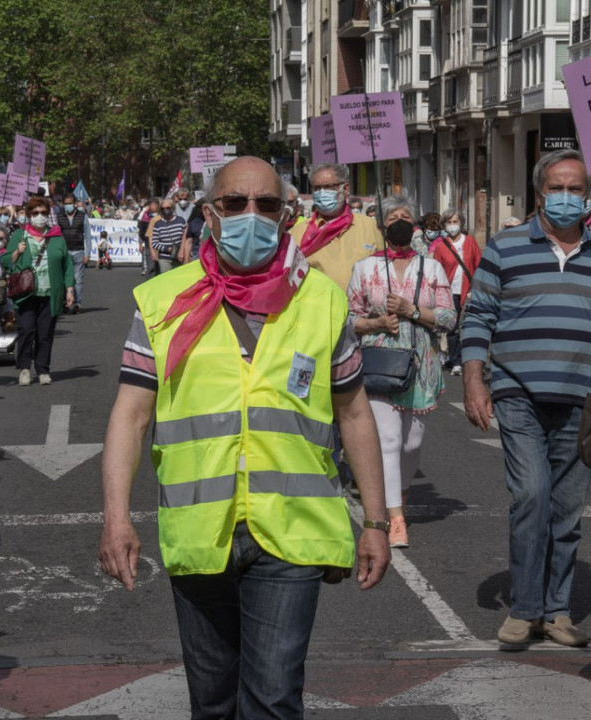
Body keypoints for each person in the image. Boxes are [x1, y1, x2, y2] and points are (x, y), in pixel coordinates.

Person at [99, 157, 390, 720]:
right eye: (235, 203)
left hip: (292, 532)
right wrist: (116, 519)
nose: (250, 215)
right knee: (212, 702)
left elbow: (354, 414)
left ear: (286, 216)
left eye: (267, 204)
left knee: (274, 698)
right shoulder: (161, 301)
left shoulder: (323, 301)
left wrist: (376, 522)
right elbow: (130, 416)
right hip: (199, 529)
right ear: (209, 214)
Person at [461, 149, 591, 647]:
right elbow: (479, 316)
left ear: (588, 196)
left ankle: (556, 611)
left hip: (581, 399)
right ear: (540, 195)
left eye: (575, 189)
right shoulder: (505, 247)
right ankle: (524, 609)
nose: (566, 197)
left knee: (567, 510)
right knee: (532, 495)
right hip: (517, 394)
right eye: (556, 188)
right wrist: (474, 381)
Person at [347, 193, 456, 549]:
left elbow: (449, 318)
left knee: (411, 444)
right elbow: (348, 318)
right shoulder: (365, 268)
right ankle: (395, 518)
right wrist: (376, 322)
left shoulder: (432, 268)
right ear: (382, 226)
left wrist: (413, 311)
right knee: (390, 440)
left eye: (406, 217)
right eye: (392, 218)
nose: (399, 223)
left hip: (421, 367)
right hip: (379, 365)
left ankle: (401, 495)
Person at [3, 196, 75, 386]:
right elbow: (5, 261)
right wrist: (17, 251)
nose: (39, 216)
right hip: (26, 293)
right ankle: (25, 368)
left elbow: (67, 264)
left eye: (43, 212)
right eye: (35, 213)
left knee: (45, 334)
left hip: (50, 292)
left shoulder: (57, 236)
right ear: (29, 215)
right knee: (26, 330)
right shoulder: (20, 235)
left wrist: (69, 289)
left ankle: (43, 369)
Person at [290, 163, 383, 289]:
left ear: (346, 189)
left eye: (328, 187)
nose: (322, 193)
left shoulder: (371, 227)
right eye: (317, 188)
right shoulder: (297, 233)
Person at [434, 208, 482, 376]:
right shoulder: (441, 247)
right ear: (444, 225)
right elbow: (437, 272)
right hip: (450, 293)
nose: (453, 225)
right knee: (452, 329)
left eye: (455, 222)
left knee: (470, 328)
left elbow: (479, 265)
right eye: (449, 222)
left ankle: (472, 361)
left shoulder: (470, 242)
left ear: (461, 223)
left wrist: (476, 288)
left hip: (469, 292)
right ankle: (456, 361)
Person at [54, 192, 90, 313]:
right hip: (64, 252)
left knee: (78, 280)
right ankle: (66, 302)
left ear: (74, 204)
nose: (68, 206)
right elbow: (55, 235)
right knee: (64, 278)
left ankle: (77, 304)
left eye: (70, 203)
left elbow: (88, 236)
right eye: (66, 204)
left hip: (78, 251)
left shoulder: (82, 216)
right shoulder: (59, 216)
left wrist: (87, 254)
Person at [148, 198, 190, 273]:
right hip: (164, 258)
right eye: (163, 208)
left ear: (173, 208)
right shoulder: (158, 224)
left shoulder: (181, 221)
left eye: (168, 208)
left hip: (179, 256)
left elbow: (186, 238)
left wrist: (182, 251)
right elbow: (154, 243)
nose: (165, 210)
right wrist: (168, 249)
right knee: (167, 278)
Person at [138, 198, 160, 276]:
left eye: (155, 204)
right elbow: (141, 231)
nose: (154, 206)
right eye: (152, 205)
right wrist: (144, 241)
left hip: (161, 243)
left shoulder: (162, 215)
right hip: (149, 243)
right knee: (151, 265)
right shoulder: (145, 216)